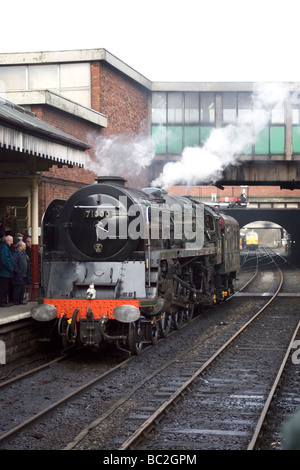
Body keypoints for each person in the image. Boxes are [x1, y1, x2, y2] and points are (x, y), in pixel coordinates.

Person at [12, 241, 32, 305]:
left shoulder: (24, 253)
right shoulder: (16, 253)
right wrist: (17, 271)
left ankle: (20, 300)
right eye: (24, 246)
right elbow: (14, 263)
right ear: (20, 247)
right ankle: (16, 300)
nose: (25, 247)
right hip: (19, 274)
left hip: (24, 274)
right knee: (17, 288)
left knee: (22, 288)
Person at [0, 235, 14, 307]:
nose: (12, 242)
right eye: (11, 241)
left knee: (5, 288)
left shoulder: (4, 247)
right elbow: (5, 260)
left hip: (5, 272)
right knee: (3, 288)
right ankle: (2, 302)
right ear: (7, 241)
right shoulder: (4, 248)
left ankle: (4, 301)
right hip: (4, 272)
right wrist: (11, 268)